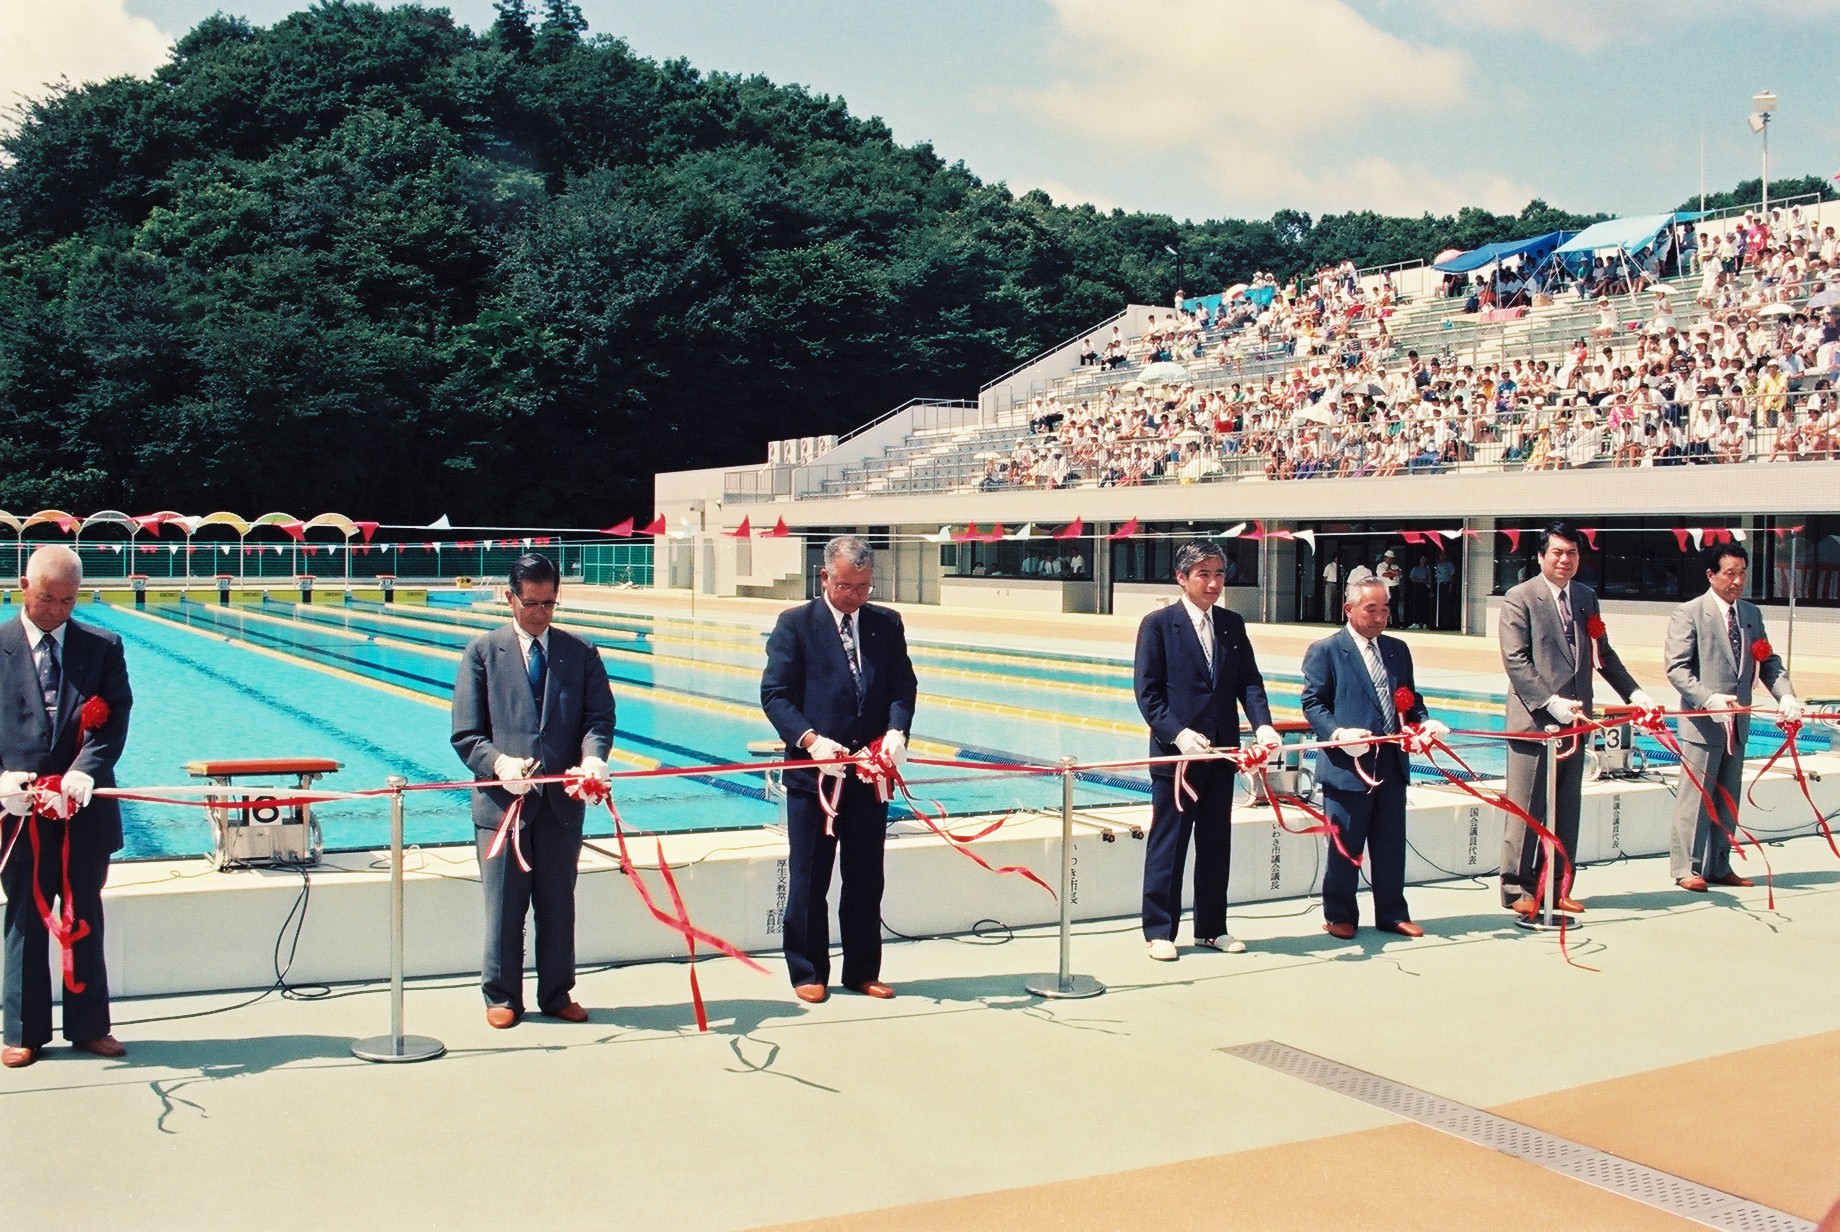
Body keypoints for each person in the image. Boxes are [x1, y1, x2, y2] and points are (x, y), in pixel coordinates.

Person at [452, 553, 615, 1029]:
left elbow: (598, 719)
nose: (541, 613)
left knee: (558, 904)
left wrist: (593, 759)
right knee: (504, 905)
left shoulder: (580, 652)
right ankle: (502, 994)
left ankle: (557, 991)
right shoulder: (483, 653)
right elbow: (466, 733)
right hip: (503, 808)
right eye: (531, 603)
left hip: (562, 805)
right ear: (510, 598)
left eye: (549, 603)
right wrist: (498, 764)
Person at [761, 535, 917, 1003]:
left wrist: (897, 732)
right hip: (815, 777)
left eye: (864, 587)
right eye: (846, 586)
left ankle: (863, 969)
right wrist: (810, 740)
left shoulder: (886, 623)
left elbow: (902, 686)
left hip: (869, 774)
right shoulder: (795, 624)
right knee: (810, 877)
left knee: (866, 875)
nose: (855, 596)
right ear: (825, 576)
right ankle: (808, 970)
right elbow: (775, 695)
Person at [1, 545, 133, 1068]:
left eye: (68, 601)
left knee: (85, 913)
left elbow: (115, 717)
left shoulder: (102, 646)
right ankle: (22, 1031)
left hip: (84, 810)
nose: (57, 610)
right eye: (48, 598)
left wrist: (85, 771)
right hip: (19, 813)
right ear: (23, 587)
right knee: (25, 918)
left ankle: (90, 1026)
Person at [1498, 522, 1654, 916]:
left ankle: (1557, 886)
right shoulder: (1520, 598)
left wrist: (1635, 694)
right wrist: (1550, 702)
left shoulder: (1585, 598)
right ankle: (1517, 889)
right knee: (1527, 810)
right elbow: (1516, 660)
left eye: (1572, 553)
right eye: (1557, 552)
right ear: (1541, 556)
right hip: (1535, 724)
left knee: (1566, 810)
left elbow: (1604, 655)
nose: (1565, 560)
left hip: (1575, 723)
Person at [1133, 541, 1278, 960]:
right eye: (1204, 575)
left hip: (1222, 752)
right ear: (1182, 578)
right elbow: (1148, 692)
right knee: (1170, 843)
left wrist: (1263, 724)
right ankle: (1160, 930)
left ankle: (1212, 928)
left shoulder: (1232, 624)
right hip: (1178, 757)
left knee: (1216, 843)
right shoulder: (1159, 625)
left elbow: (1249, 682)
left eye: (1219, 575)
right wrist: (1178, 734)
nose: (1214, 583)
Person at [1301, 576, 1447, 939]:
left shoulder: (1397, 649)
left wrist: (1423, 724)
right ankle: (1339, 914)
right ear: (1349, 609)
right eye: (1371, 609)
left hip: (1391, 764)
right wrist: (1338, 735)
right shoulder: (1326, 650)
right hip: (1348, 766)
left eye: (1385, 609)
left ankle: (1392, 913)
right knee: (1345, 846)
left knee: (1390, 845)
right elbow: (1313, 703)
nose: (1380, 617)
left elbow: (1411, 699)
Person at [1663, 543, 1802, 892]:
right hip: (1704, 723)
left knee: (1728, 799)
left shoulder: (1751, 614)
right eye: (1730, 573)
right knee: (1696, 800)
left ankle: (1719, 865)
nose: (1738, 581)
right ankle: (1686, 868)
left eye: (1742, 573)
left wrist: (1786, 695)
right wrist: (1708, 699)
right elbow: (1677, 669)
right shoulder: (1690, 612)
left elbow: (1768, 662)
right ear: (1711, 575)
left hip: (1737, 724)